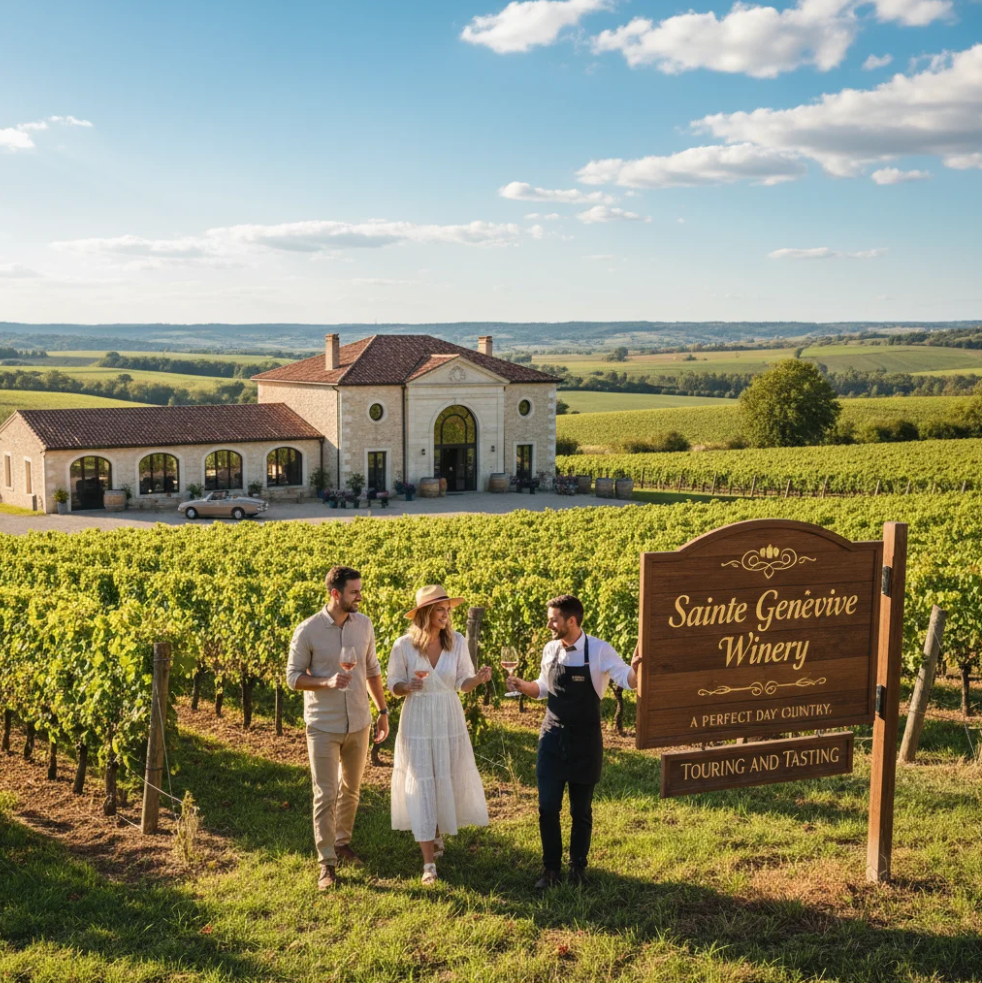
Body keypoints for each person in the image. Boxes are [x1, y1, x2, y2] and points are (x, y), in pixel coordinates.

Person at [506, 594, 641, 888]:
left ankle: (577, 868)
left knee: (581, 810)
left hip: (585, 740)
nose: (549, 624)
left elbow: (628, 681)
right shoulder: (550, 649)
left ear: (571, 620)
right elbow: (542, 688)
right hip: (552, 738)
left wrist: (636, 670)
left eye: (553, 619)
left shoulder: (600, 650)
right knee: (547, 807)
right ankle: (550, 870)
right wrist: (521, 685)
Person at [286, 565, 390, 891]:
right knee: (325, 793)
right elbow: (293, 678)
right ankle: (326, 863)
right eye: (354, 592)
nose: (360, 596)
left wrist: (383, 711)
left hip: (359, 721)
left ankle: (342, 843)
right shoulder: (308, 631)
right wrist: (327, 681)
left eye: (359, 590)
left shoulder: (364, 625)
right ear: (335, 594)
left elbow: (372, 670)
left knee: (352, 790)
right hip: (323, 725)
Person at [387, 585, 492, 885]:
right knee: (421, 783)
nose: (446, 615)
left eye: (448, 609)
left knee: (442, 775)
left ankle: (436, 833)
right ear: (425, 614)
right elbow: (393, 684)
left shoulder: (456, 642)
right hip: (418, 717)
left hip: (447, 716)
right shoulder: (403, 646)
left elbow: (462, 682)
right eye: (440, 610)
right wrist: (406, 687)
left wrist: (479, 678)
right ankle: (428, 864)